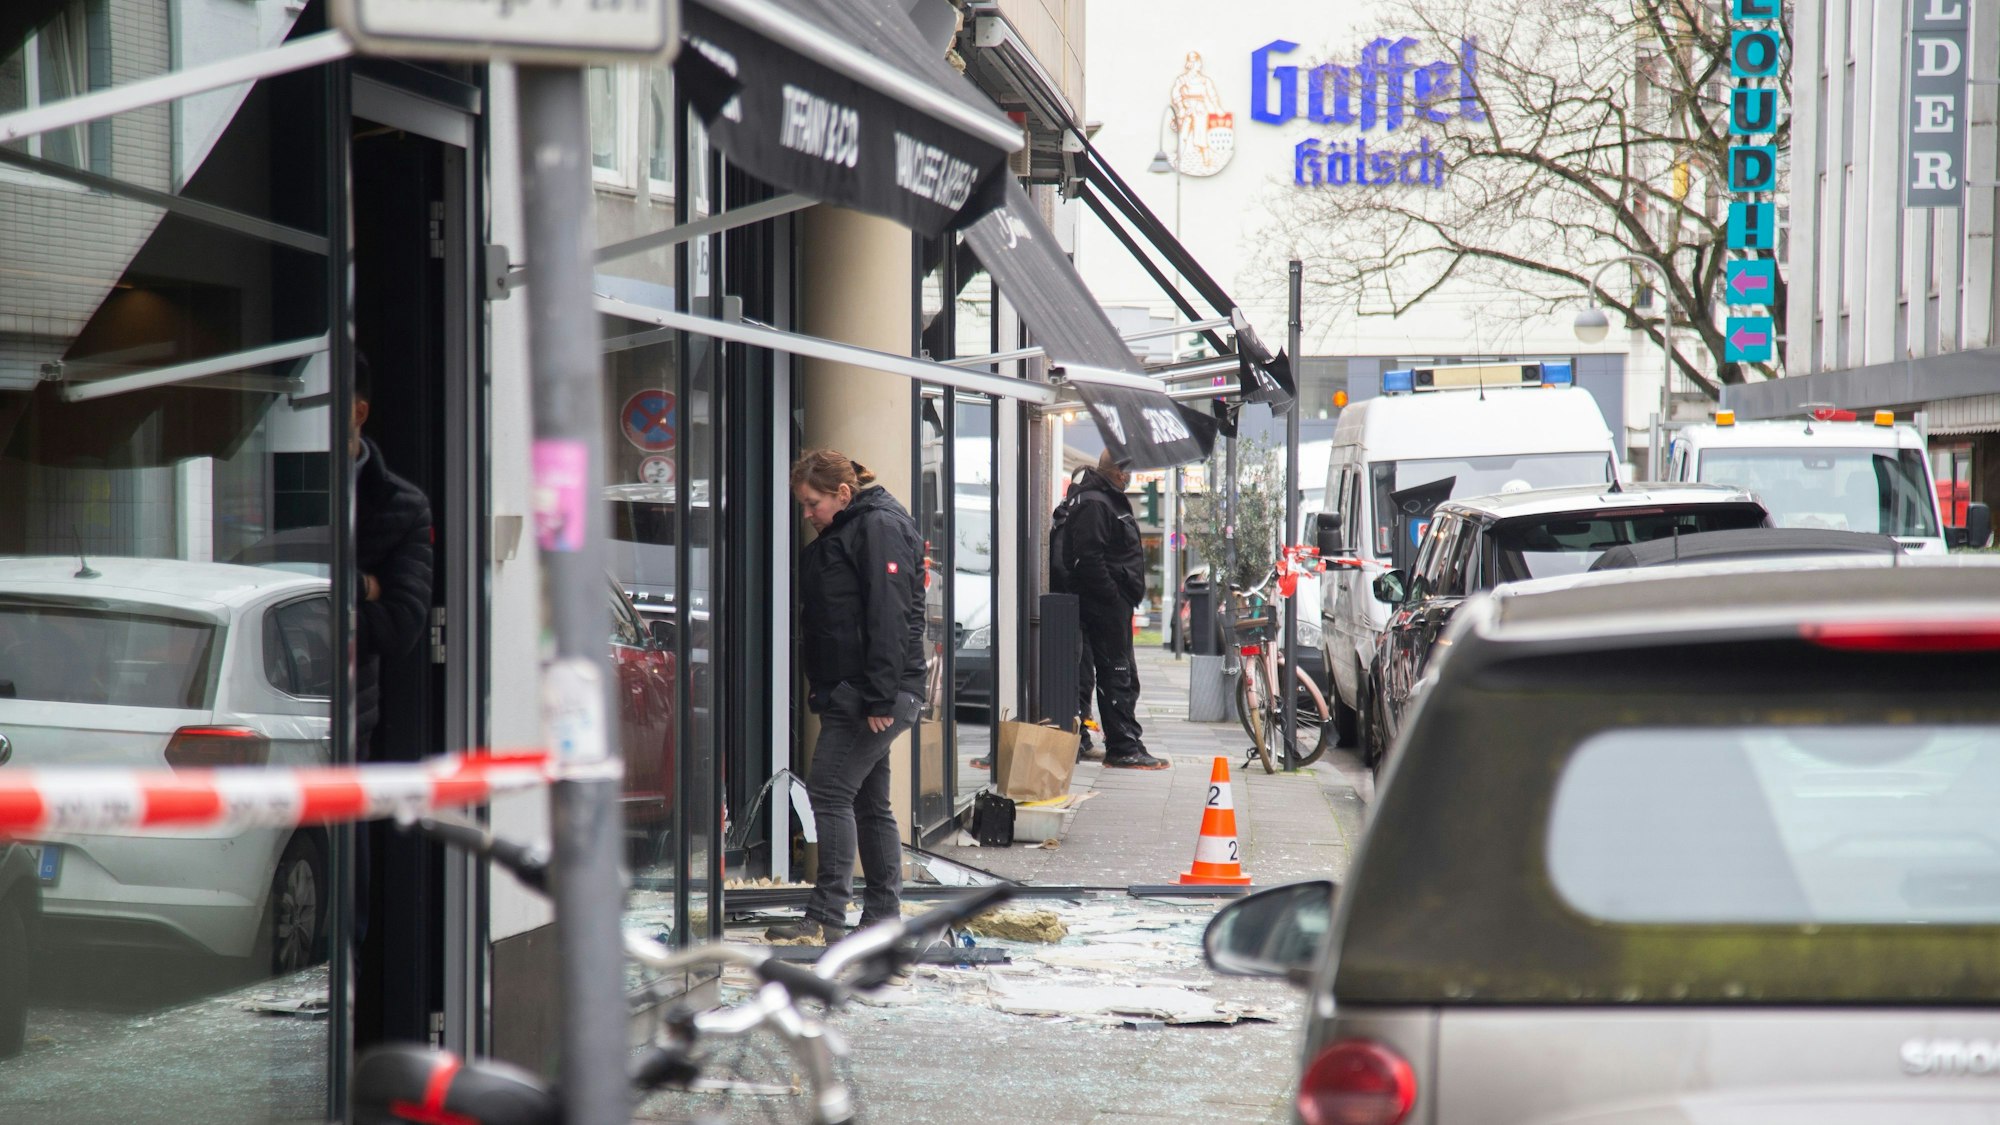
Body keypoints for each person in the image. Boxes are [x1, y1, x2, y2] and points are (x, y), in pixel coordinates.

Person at [769, 450, 926, 945]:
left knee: (831, 793)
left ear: (843, 494)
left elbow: (889, 613)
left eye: (813, 503)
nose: (807, 513)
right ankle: (881, 918)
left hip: (870, 694)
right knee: (869, 803)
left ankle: (825, 918)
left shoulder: (877, 526)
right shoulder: (854, 527)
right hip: (863, 690)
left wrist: (880, 698)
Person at [1054, 450, 1168, 770]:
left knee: (1122, 674)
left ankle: (1127, 741)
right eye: (1125, 470)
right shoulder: (1094, 501)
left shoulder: (1104, 498)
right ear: (1115, 471)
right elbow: (1089, 557)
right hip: (1104, 605)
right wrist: (1111, 594)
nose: (1128, 476)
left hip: (1113, 603)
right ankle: (1122, 747)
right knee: (1116, 674)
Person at [351, 352, 433, 755]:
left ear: (358, 412)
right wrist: (363, 585)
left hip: (347, 717)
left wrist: (310, 623)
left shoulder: (401, 505)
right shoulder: (265, 479)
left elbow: (403, 624)